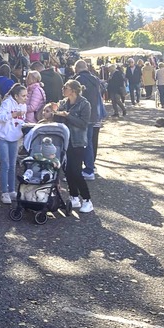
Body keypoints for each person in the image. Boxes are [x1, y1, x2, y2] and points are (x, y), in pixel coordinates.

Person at [54, 80, 93, 213]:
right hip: (65, 141)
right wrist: (54, 113)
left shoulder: (84, 104)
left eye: (66, 87)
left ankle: (87, 199)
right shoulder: (63, 103)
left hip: (77, 142)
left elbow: (83, 124)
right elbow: (58, 119)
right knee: (68, 171)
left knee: (76, 171)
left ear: (74, 91)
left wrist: (68, 116)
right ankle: (74, 196)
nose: (63, 89)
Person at [0, 83, 27, 204]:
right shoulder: (7, 103)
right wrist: (13, 114)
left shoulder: (24, 106)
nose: (25, 98)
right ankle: (4, 192)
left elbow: (21, 120)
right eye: (23, 96)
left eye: (26, 95)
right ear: (16, 96)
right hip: (3, 136)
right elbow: (0, 116)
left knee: (13, 165)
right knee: (5, 164)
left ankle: (12, 190)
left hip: (14, 137)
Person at [73, 59, 101, 181]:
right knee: (88, 142)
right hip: (93, 114)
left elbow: (76, 99)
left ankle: (84, 170)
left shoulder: (78, 80)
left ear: (76, 68)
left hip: (81, 116)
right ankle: (90, 167)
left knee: (80, 143)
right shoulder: (95, 79)